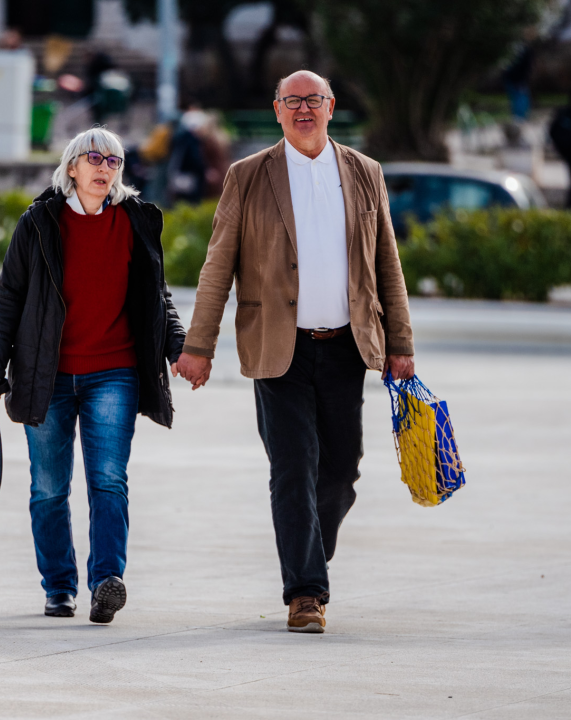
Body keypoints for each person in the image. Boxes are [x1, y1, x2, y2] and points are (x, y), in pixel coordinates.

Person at [173, 71, 415, 634]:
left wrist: (400, 344)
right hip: (277, 348)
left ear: (331, 106)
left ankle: (306, 552)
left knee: (340, 472)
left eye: (314, 100)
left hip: (347, 348)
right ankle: (306, 593)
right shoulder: (247, 176)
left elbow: (388, 266)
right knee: (292, 468)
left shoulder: (363, 173)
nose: (303, 109)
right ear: (277, 110)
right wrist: (198, 346)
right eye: (292, 101)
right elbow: (217, 267)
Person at [0, 127, 186, 624]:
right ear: (72, 166)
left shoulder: (135, 221)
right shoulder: (38, 223)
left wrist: (180, 347)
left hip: (114, 371)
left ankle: (106, 582)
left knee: (109, 480)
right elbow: (9, 298)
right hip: (45, 375)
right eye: (93, 157)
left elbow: (158, 298)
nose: (104, 166)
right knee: (49, 487)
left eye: (114, 160)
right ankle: (58, 586)